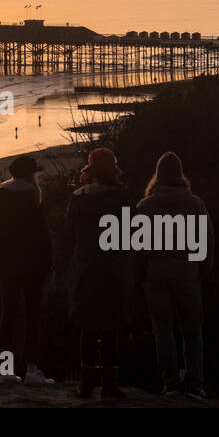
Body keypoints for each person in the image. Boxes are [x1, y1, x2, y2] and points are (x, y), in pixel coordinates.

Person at [136, 151, 214, 400]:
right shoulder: (195, 204)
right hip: (187, 272)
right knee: (192, 329)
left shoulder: (146, 206)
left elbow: (138, 245)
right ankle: (195, 385)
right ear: (180, 173)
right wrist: (203, 270)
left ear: (157, 175)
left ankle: (170, 384)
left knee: (163, 329)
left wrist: (140, 274)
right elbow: (207, 242)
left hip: (156, 273)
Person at [66, 147, 134, 398]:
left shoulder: (78, 197)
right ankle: (109, 384)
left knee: (88, 326)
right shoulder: (122, 198)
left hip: (85, 267)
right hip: (113, 268)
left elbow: (69, 234)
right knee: (110, 327)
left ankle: (86, 383)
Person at [0, 155, 54, 386]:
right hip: (33, 265)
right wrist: (50, 264)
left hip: (7, 265)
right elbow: (42, 235)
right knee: (33, 318)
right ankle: (32, 370)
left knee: (9, 317)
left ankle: (5, 370)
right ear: (31, 174)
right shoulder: (32, 195)